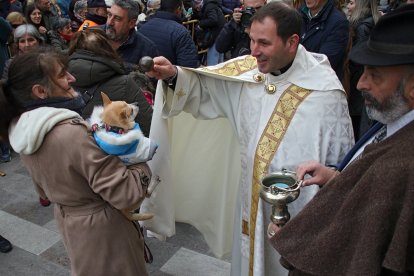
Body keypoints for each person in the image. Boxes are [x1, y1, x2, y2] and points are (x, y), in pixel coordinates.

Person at [142, 2, 354, 275]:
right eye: (251, 39)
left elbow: (341, 167)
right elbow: (206, 91)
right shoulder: (250, 71)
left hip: (297, 215)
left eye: (263, 43)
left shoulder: (324, 92)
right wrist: (173, 76)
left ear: (292, 42)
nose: (253, 51)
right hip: (249, 203)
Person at [268, 5, 414, 275]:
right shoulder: (394, 120)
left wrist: (298, 243)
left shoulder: (403, 166)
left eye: (375, 75)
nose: (360, 84)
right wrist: (336, 177)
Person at [0, 48, 151, 275]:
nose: (72, 78)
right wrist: (139, 157)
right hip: (104, 230)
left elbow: (43, 191)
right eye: (62, 75)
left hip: (72, 222)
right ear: (40, 91)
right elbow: (126, 194)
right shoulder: (71, 133)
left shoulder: (22, 128)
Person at [68, 28, 153, 137]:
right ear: (108, 49)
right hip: (114, 152)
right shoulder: (125, 83)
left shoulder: (59, 81)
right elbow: (148, 125)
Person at [347, 0, 380, 140]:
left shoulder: (361, 27)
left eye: (351, 3)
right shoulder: (375, 21)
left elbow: (357, 60)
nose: (348, 7)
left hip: (356, 89)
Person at [138, 0, 200, 68]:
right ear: (178, 9)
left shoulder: (143, 27)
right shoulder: (181, 33)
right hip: (167, 76)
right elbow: (189, 67)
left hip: (144, 75)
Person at [299, 0, 349, 82]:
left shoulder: (338, 22)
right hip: (294, 80)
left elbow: (324, 62)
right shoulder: (297, 15)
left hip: (321, 85)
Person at [105, 0, 158, 72]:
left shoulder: (147, 49)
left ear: (131, 23)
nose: (110, 22)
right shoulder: (92, 36)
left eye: (117, 18)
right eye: (109, 15)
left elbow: (149, 81)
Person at [192, 0, 226, 65]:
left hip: (216, 35)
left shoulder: (209, 6)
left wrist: (200, 24)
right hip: (220, 33)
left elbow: (213, 19)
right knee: (219, 58)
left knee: (213, 59)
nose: (197, 8)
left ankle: (211, 73)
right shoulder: (210, 5)